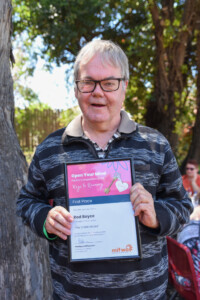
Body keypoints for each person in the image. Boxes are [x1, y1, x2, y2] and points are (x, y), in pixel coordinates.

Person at [17, 40, 193, 300]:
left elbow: (182, 205)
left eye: (109, 83)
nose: (97, 92)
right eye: (88, 82)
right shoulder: (50, 150)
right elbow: (26, 202)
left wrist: (157, 216)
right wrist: (45, 218)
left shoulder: (155, 145)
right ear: (76, 89)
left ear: (124, 87)